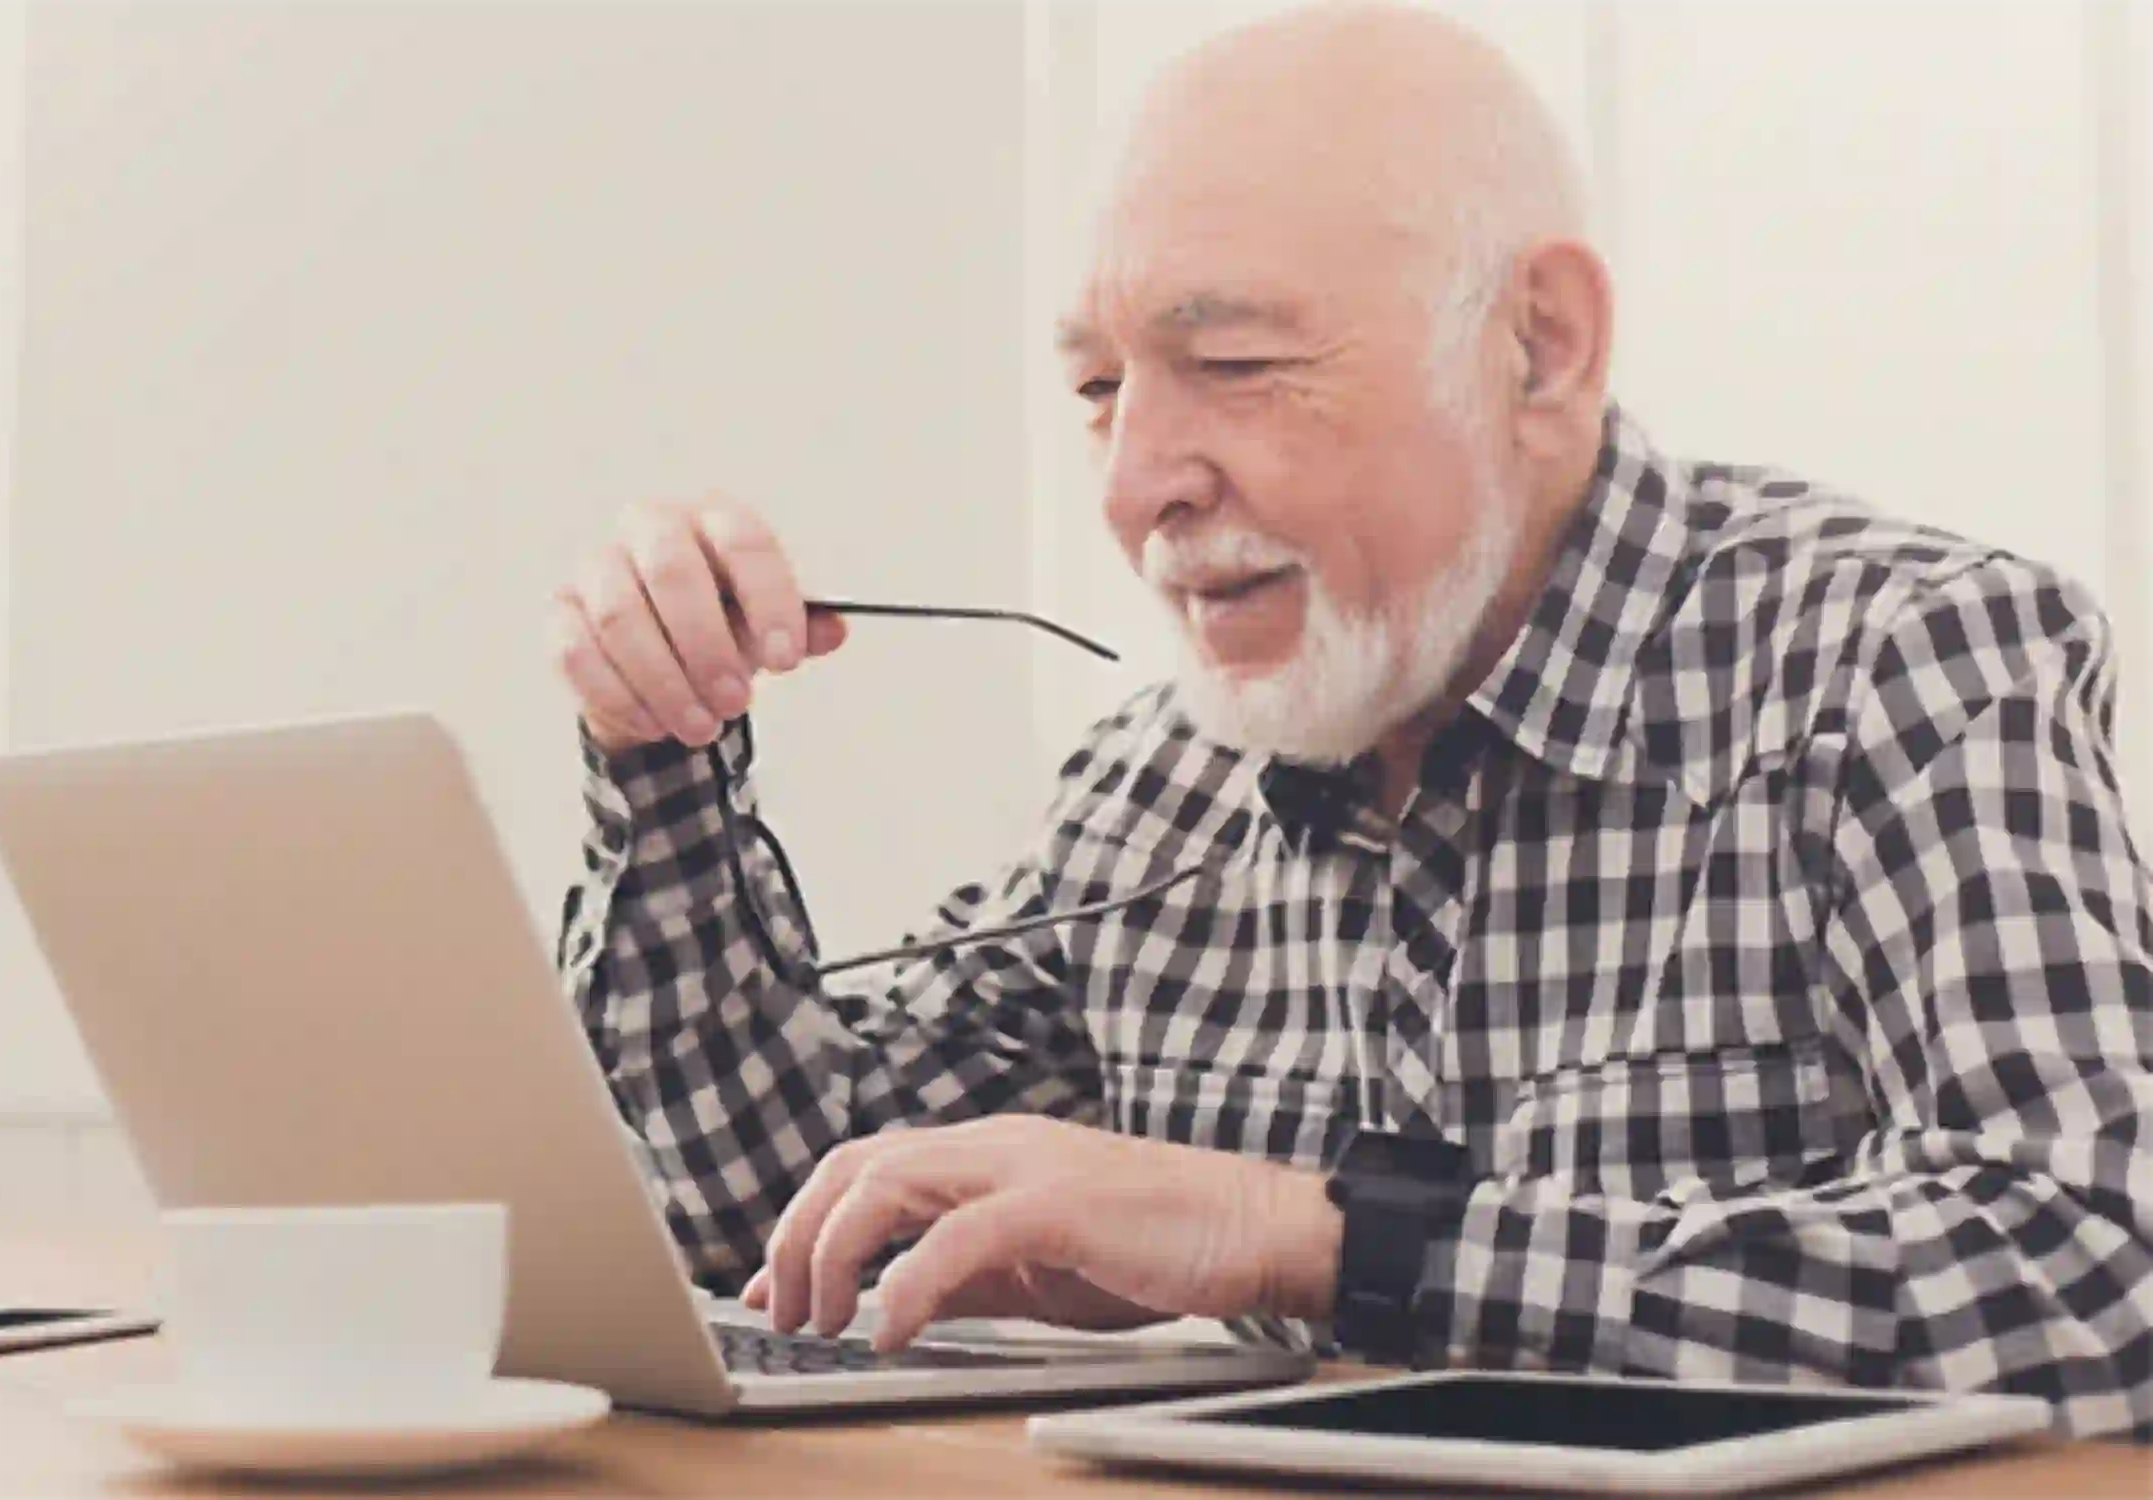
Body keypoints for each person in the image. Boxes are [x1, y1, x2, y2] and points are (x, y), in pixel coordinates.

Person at [545, 0, 2153, 1438]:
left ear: (1542, 349)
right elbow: (781, 1215)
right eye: (1100, 387)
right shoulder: (1155, 788)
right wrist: (665, 760)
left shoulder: (1901, 664)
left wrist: (1310, 1233)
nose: (1131, 486)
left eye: (1234, 362)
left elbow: (2101, 1276)